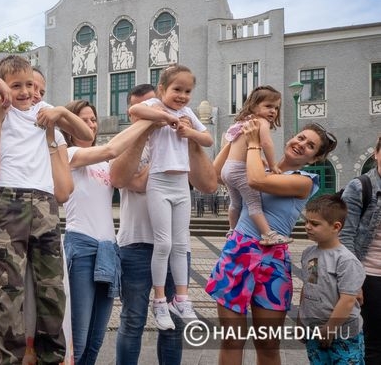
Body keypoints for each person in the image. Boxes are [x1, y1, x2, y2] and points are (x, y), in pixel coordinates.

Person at [0, 54, 92, 364]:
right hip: (9, 201)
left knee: (51, 288)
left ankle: (51, 357)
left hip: (45, 204)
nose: (27, 92)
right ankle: (8, 359)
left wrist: (58, 115)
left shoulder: (44, 112)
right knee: (8, 289)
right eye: (17, 86)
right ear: (3, 88)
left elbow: (86, 135)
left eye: (31, 85)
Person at [205, 120, 337, 365]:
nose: (301, 145)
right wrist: (236, 138)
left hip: (272, 262)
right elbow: (215, 175)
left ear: (314, 159)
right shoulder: (259, 164)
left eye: (310, 146)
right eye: (300, 138)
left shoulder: (305, 180)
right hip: (239, 253)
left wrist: (254, 144)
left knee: (267, 342)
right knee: (232, 339)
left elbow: (257, 181)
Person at [111, 83, 217, 365]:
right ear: (134, 115)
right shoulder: (128, 142)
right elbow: (122, 180)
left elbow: (208, 184)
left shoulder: (180, 139)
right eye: (149, 110)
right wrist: (150, 137)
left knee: (175, 322)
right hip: (135, 243)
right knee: (132, 320)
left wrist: (190, 138)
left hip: (174, 249)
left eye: (160, 107)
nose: (160, 113)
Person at [60, 100, 155, 364]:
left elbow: (134, 182)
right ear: (69, 125)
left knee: (96, 339)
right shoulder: (68, 155)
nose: (90, 124)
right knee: (77, 340)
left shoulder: (104, 165)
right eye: (84, 120)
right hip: (81, 247)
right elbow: (112, 148)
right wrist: (150, 119)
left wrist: (159, 153)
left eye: (93, 119)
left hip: (108, 250)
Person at [127, 64, 214, 329]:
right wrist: (165, 118)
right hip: (159, 182)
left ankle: (182, 298)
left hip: (180, 185)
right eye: (177, 89)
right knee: (163, 243)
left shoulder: (188, 112)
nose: (182, 96)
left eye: (188, 91)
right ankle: (160, 301)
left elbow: (208, 139)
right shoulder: (156, 105)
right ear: (162, 89)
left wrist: (189, 132)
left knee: (180, 242)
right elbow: (135, 110)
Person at [298, 193, 365, 364]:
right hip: (314, 330)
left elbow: (348, 300)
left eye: (314, 223)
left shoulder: (346, 260)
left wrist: (330, 329)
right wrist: (301, 320)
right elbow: (309, 285)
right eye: (306, 221)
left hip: (343, 334)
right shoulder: (309, 254)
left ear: (336, 227)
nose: (307, 226)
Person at [221, 85, 290, 245]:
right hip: (239, 170)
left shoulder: (243, 122)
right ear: (253, 106)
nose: (273, 111)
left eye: (276, 108)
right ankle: (268, 234)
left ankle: (232, 230)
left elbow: (239, 147)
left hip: (227, 169)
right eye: (268, 106)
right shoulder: (261, 122)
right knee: (253, 204)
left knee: (235, 203)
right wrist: (273, 165)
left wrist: (260, 160)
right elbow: (266, 143)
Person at [340, 133, 381, 362]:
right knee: (373, 343)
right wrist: (354, 282)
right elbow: (345, 236)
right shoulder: (361, 186)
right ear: (376, 154)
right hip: (371, 277)